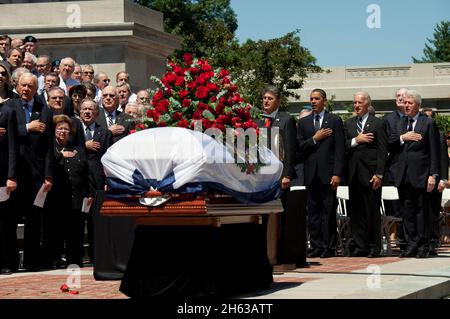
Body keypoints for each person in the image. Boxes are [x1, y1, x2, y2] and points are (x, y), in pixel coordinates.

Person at [5, 72, 54, 271]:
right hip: (14, 172)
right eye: (23, 85)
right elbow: (6, 135)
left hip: (36, 174)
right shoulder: (9, 107)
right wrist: (27, 127)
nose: (26, 89)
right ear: (17, 86)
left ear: (36, 89)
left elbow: (49, 145)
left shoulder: (45, 110)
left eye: (30, 86)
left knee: (35, 219)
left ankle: (32, 261)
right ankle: (9, 262)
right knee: (9, 220)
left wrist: (49, 175)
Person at [389, 90, 440, 258]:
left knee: (421, 212)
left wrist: (433, 175)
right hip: (402, 175)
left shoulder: (428, 123)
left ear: (417, 105)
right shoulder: (400, 123)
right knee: (406, 212)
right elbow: (391, 144)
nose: (406, 105)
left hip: (421, 175)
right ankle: (411, 244)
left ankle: (423, 245)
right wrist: (404, 137)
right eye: (405, 102)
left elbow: (434, 151)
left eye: (410, 103)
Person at [297, 88, 345, 258]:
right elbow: (300, 147)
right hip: (311, 174)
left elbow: (340, 149)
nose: (313, 101)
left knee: (329, 211)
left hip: (329, 174)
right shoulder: (304, 123)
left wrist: (337, 173)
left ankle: (329, 247)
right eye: (311, 99)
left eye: (317, 98)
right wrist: (315, 139)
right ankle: (316, 245)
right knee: (314, 213)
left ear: (324, 100)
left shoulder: (335, 120)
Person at [43, 115, 94, 268]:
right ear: (54, 130)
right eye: (60, 128)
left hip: (77, 197)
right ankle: (55, 260)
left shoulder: (78, 149)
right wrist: (60, 155)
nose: (63, 131)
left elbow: (86, 172)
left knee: (76, 232)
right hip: (57, 198)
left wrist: (89, 193)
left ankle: (75, 260)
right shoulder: (50, 149)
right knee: (56, 231)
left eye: (66, 129)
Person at [258, 86, 299, 266]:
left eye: (270, 98)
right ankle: (263, 252)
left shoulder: (286, 120)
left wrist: (287, 174)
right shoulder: (258, 120)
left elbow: (290, 149)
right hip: (261, 175)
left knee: (279, 215)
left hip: (280, 175)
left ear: (278, 101)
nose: (266, 101)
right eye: (264, 98)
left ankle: (279, 254)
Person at [344, 92, 388, 257]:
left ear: (367, 104)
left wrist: (379, 174)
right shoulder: (348, 124)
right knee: (355, 213)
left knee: (371, 211)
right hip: (353, 174)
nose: (356, 105)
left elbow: (383, 151)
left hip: (370, 174)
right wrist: (357, 140)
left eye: (359, 102)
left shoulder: (378, 123)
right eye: (354, 102)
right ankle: (359, 245)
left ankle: (373, 246)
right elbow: (344, 145)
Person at [383, 87, 408, 251]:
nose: (399, 98)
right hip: (393, 168)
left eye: (402, 96)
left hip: (413, 170)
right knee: (393, 206)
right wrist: (401, 138)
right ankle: (396, 238)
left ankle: (408, 240)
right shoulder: (388, 119)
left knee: (408, 207)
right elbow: (385, 143)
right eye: (397, 96)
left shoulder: (416, 118)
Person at [0, 61, 19, 275]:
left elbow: (14, 144)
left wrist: (12, 175)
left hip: (3, 172)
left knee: (5, 221)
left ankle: (7, 261)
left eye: (2, 73)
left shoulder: (10, 107)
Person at [423, 108, 448, 255]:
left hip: (436, 180)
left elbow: (443, 159)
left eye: (428, 118)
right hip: (421, 179)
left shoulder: (439, 135)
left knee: (433, 211)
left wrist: (443, 179)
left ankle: (433, 240)